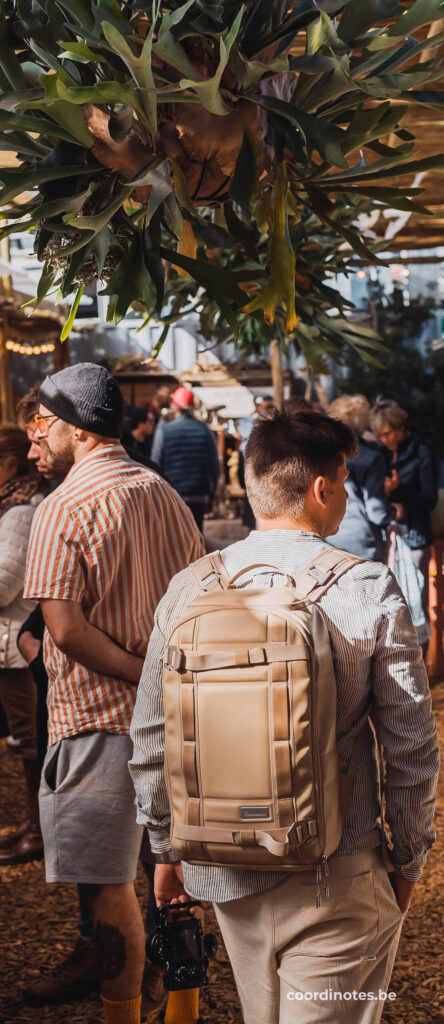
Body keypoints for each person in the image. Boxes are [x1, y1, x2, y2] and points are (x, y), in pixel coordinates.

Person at [130, 408, 439, 1024]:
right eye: (345, 480)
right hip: (339, 874)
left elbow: (150, 738)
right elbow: (410, 747)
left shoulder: (191, 588)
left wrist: (167, 850)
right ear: (321, 489)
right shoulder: (367, 587)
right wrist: (407, 862)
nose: (348, 493)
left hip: (224, 865)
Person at [23, 363, 204, 1024]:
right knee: (176, 877)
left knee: (109, 892)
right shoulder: (164, 495)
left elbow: (64, 630)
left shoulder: (63, 506)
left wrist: (137, 672)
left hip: (98, 725)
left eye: (41, 423)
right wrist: (162, 680)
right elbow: (198, 607)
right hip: (177, 723)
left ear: (73, 426)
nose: (36, 437)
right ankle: (182, 1012)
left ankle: (123, 1018)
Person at [0, 425, 45, 866]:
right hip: (12, 641)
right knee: (25, 739)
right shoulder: (13, 505)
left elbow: (5, 582)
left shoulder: (19, 512)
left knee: (30, 741)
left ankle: (38, 829)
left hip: (16, 643)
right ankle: (33, 825)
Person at [370, 400, 438, 620]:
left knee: (417, 598)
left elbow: (430, 500)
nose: (384, 439)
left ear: (400, 428)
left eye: (388, 433)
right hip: (385, 536)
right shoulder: (378, 455)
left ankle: (422, 649)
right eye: (379, 435)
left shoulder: (421, 453)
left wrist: (401, 490)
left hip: (415, 535)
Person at [328, 394, 394, 561]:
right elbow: (377, 512)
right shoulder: (371, 457)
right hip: (363, 544)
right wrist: (394, 511)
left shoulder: (323, 455)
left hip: (327, 540)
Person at [151, 386, 219, 531]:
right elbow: (215, 467)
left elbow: (155, 465)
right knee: (197, 534)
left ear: (174, 405)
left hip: (173, 495)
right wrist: (211, 496)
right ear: (192, 407)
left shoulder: (164, 431)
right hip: (199, 495)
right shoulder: (205, 431)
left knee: (174, 538)